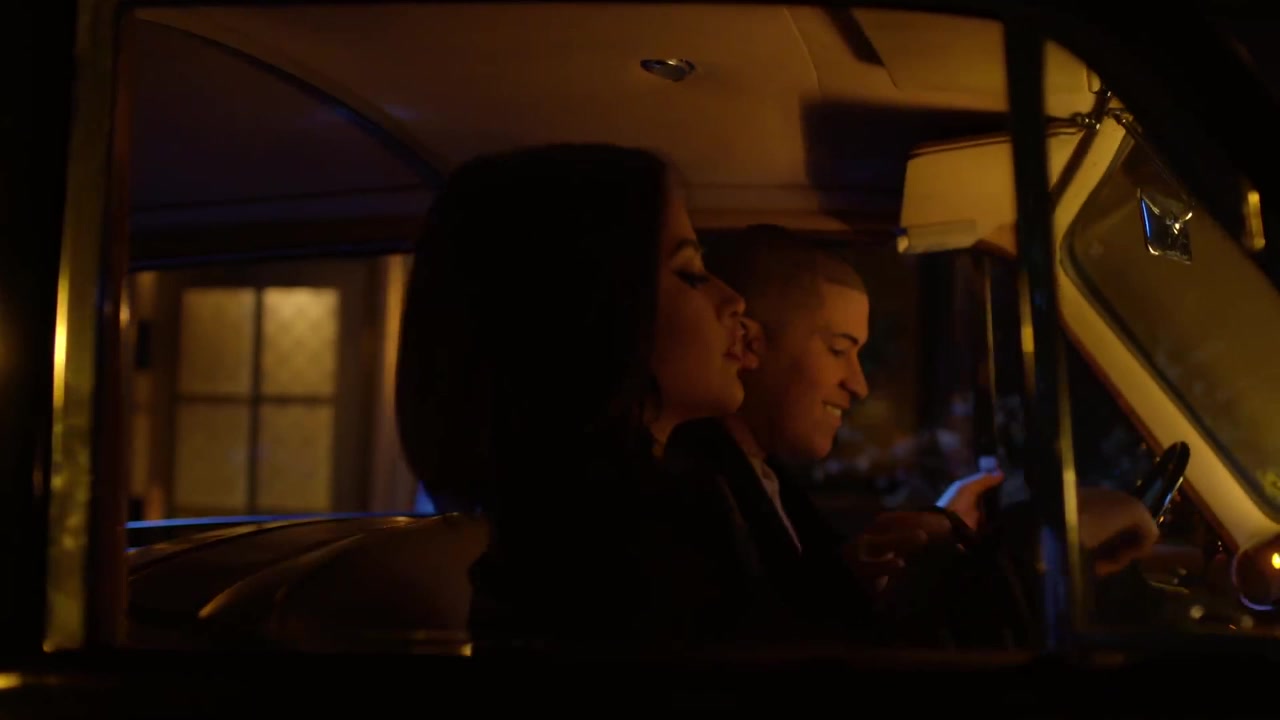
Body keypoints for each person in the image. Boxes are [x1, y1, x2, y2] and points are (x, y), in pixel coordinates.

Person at [666, 223, 1159, 646]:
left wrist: (938, 528)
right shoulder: (694, 488)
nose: (858, 385)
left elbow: (811, 599)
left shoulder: (761, 478)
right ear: (748, 342)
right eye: (838, 350)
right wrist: (1053, 531)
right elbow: (787, 650)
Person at [395, 144, 780, 656]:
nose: (734, 300)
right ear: (594, 311)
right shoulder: (615, 552)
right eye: (690, 272)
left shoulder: (577, 524)